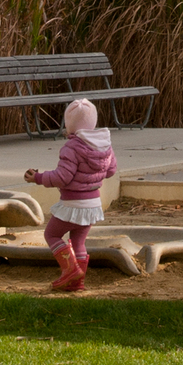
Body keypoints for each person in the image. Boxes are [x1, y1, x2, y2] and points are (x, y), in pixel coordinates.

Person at [24, 99, 117, 293]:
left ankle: (70, 270)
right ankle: (77, 282)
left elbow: (62, 177)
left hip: (74, 202)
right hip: (93, 203)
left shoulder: (72, 147)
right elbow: (110, 171)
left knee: (52, 234)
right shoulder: (104, 144)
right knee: (79, 242)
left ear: (70, 124)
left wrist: (38, 178)